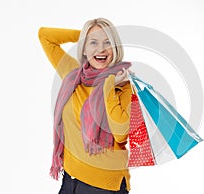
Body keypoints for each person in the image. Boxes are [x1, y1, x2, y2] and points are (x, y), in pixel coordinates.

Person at [38, 18, 132, 194]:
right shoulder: (75, 75)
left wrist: (109, 84)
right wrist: (83, 36)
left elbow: (121, 133)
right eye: (94, 43)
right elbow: (45, 36)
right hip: (70, 181)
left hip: (104, 186)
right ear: (84, 48)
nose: (101, 49)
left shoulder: (123, 84)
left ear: (115, 47)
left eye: (107, 42)